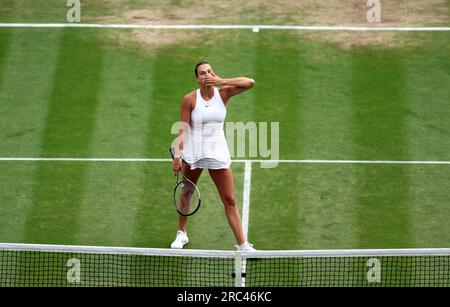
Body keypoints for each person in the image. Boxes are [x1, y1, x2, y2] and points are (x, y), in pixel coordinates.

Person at [171, 61, 256, 252]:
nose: (206, 75)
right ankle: (181, 233)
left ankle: (242, 245)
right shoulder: (189, 99)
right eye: (202, 73)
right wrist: (178, 155)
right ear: (197, 78)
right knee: (186, 193)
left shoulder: (224, 93)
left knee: (229, 199)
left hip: (217, 152)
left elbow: (250, 82)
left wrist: (221, 81)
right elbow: (183, 129)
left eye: (209, 72)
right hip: (195, 152)